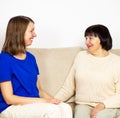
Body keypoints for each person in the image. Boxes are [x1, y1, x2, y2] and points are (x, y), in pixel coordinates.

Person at [0, 15, 72, 118]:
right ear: (19, 33)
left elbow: (39, 90)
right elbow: (9, 98)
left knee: (65, 107)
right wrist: (43, 101)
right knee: (52, 110)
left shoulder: (31, 58)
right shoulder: (4, 59)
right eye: (31, 31)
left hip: (33, 104)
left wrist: (54, 101)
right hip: (11, 107)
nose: (35, 35)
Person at [55, 24, 120, 118]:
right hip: (83, 105)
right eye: (86, 38)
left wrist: (102, 105)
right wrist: (52, 101)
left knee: (99, 116)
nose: (87, 42)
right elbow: (68, 87)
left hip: (108, 106)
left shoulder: (117, 62)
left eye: (91, 38)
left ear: (102, 38)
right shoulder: (81, 56)